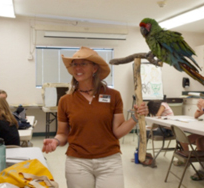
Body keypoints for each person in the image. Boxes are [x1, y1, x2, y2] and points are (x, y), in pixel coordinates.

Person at [42, 46, 148, 188]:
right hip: (77, 162)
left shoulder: (113, 95)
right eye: (75, 64)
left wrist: (135, 117)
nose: (78, 68)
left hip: (109, 161)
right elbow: (62, 133)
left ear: (95, 68)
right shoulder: (65, 101)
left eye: (83, 64)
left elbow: (117, 131)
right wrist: (55, 141)